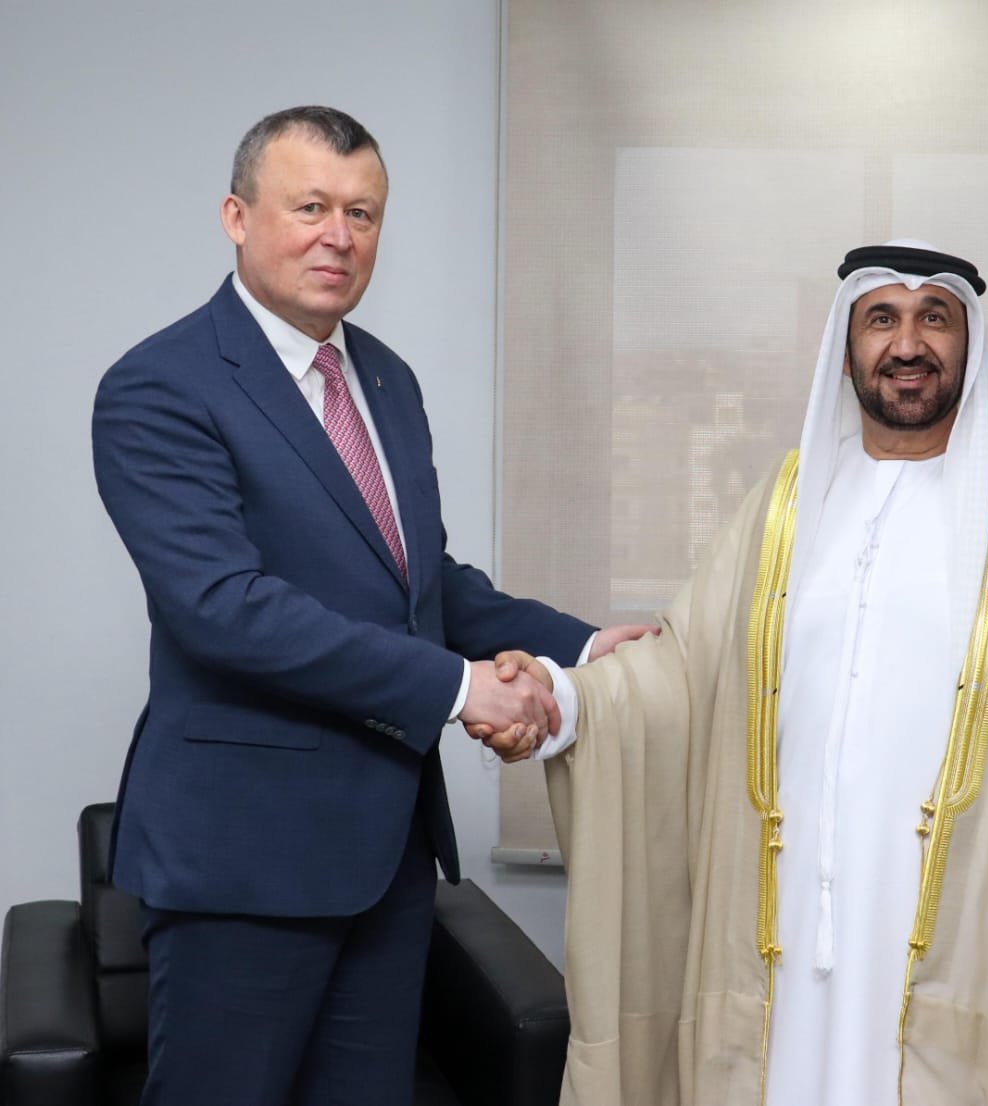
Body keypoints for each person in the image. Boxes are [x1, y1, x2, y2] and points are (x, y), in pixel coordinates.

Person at [483, 242, 988, 1105]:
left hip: (972, 924)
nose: (908, 344)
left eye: (934, 318)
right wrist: (560, 701)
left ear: (969, 343)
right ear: (846, 350)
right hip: (791, 922)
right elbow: (683, 673)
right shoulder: (788, 501)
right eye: (882, 319)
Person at [91, 105, 650, 1106]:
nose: (338, 236)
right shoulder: (160, 386)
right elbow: (224, 608)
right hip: (243, 859)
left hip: (387, 850)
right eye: (309, 207)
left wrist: (583, 644)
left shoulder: (385, 379)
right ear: (236, 216)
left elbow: (422, 584)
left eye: (362, 212)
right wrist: (460, 687)